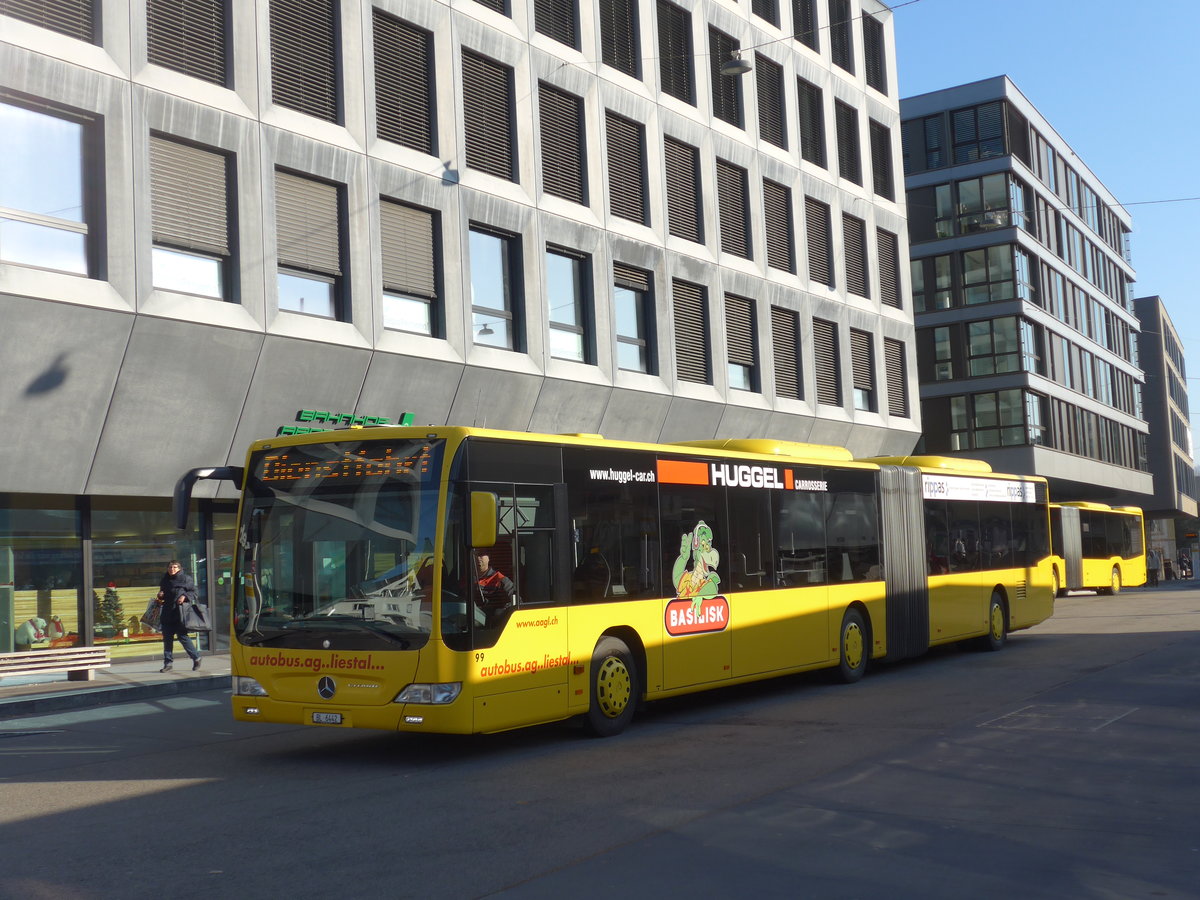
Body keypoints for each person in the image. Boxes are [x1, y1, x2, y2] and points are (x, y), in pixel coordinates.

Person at [156, 560, 202, 672]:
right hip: (167, 613)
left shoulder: (185, 579)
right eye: (170, 567)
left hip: (180, 613)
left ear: (179, 568)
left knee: (183, 637)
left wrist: (185, 597)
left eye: (175, 567)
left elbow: (194, 592)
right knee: (167, 640)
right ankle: (168, 663)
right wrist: (160, 595)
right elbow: (162, 593)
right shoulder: (165, 580)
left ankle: (196, 657)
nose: (172, 569)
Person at [474, 553, 515, 621]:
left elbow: (516, 602)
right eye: (475, 554)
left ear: (489, 558)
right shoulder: (465, 578)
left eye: (481, 555)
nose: (478, 558)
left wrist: (500, 613)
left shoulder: (500, 579)